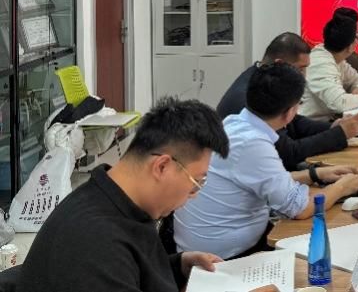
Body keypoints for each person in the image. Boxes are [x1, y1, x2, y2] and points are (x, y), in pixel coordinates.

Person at [18, 98, 275, 292]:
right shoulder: (97, 243)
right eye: (196, 181)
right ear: (162, 166)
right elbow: (115, 265)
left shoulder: (117, 200)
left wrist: (178, 266)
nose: (194, 194)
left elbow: (133, 269)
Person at [174, 64, 358, 259]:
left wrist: (315, 174)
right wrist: (344, 187)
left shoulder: (236, 122)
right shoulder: (252, 143)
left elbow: (265, 179)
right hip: (224, 258)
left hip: (207, 245)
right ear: (290, 112)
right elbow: (300, 209)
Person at [216, 32, 358, 170]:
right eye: (300, 69)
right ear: (280, 64)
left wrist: (332, 127)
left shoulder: (262, 76)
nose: (304, 76)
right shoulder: (252, 95)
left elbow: (293, 122)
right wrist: (338, 134)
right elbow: (288, 153)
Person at [300, 13, 358, 120]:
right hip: (313, 124)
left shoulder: (335, 57)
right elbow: (339, 104)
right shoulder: (320, 63)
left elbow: (357, 79)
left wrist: (357, 90)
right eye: (356, 36)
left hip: (329, 119)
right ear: (351, 46)